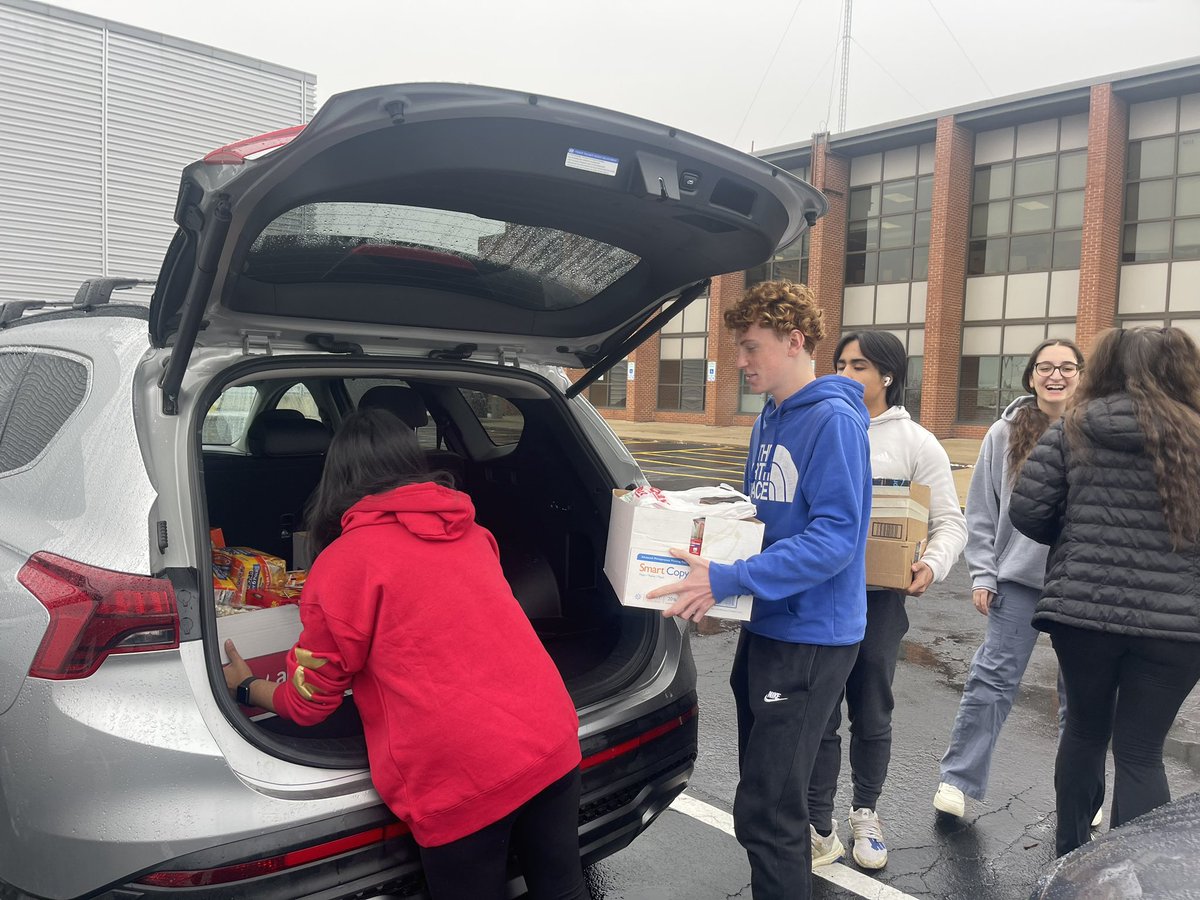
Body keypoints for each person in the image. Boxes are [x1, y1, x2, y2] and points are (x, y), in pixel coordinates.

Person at [222, 409, 589, 900]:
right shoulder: (473, 533)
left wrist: (245, 687)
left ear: (336, 477)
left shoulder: (344, 563)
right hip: (551, 736)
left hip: (461, 775)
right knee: (562, 891)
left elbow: (310, 703)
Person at [646, 280, 872, 900]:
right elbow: (758, 529)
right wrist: (730, 601)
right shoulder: (771, 416)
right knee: (764, 806)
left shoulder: (830, 420)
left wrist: (730, 580)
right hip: (771, 626)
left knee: (770, 815)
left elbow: (835, 541)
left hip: (810, 639)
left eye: (750, 347)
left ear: (794, 341)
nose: (739, 362)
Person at [1010, 326, 1200, 857]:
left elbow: (1027, 510)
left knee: (1085, 733)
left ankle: (1070, 861)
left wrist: (1077, 539)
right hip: (1177, 627)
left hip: (1083, 617)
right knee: (1141, 752)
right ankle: (1138, 875)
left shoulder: (1072, 430)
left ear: (1106, 367)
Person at [805, 331, 967, 870]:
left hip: (878, 601)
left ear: (888, 376)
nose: (847, 374)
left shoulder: (917, 443)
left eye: (860, 366)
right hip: (821, 596)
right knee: (821, 711)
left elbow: (948, 523)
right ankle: (818, 823)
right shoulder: (821, 427)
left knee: (871, 710)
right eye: (841, 364)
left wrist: (932, 564)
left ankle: (866, 814)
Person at [932, 338, 1087, 821]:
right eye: (1045, 367)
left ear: (1081, 374)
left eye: (1066, 367)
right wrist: (983, 573)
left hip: (1080, 582)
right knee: (992, 681)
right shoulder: (1004, 434)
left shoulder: (1095, 429)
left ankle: (1081, 788)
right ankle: (958, 780)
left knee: (1082, 692)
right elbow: (981, 511)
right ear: (1031, 375)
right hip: (1017, 579)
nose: (1055, 375)